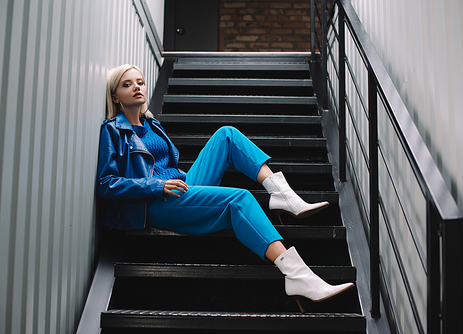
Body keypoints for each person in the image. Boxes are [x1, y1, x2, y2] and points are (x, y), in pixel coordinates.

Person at [96, 64, 354, 312]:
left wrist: (177, 181)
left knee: (226, 134)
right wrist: (157, 185)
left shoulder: (152, 125)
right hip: (152, 202)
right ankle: (297, 276)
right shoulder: (113, 131)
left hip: (177, 189)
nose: (137, 87)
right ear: (115, 96)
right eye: (127, 84)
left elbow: (167, 167)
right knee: (239, 198)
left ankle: (281, 193)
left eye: (140, 82)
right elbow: (106, 184)